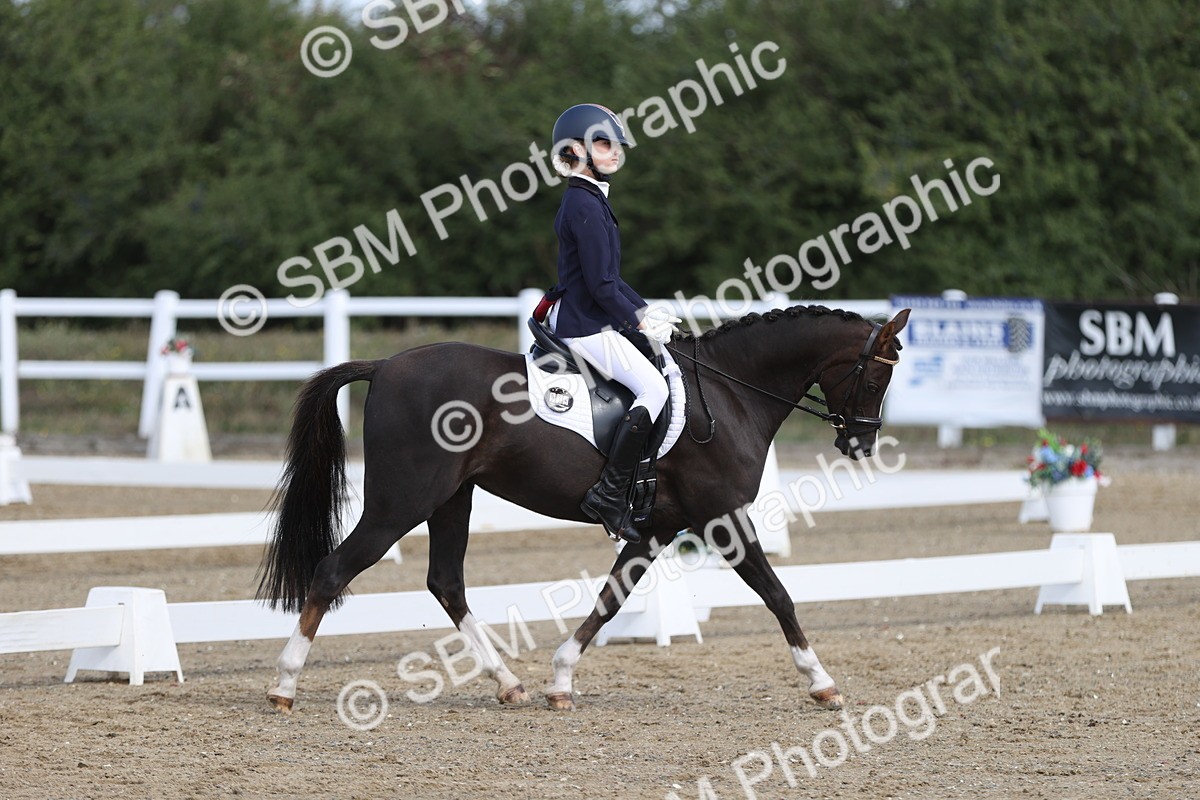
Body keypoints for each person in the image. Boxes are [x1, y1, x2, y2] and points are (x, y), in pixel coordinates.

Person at [544, 103, 679, 544]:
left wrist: (647, 312)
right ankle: (609, 493)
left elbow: (611, 279)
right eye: (603, 143)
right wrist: (638, 322)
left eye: (616, 143)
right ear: (577, 151)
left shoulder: (590, 199)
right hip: (586, 326)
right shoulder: (584, 204)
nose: (615, 151)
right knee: (654, 388)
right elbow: (602, 288)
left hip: (593, 317)